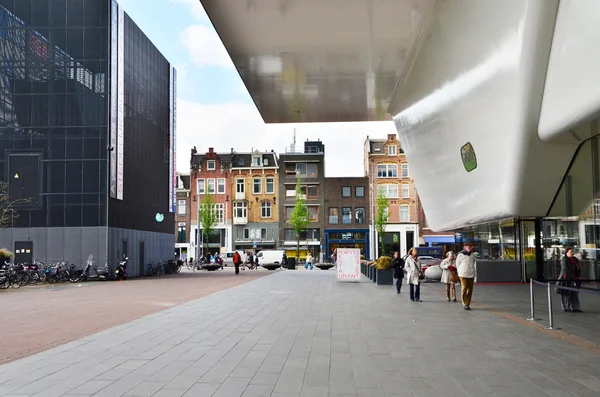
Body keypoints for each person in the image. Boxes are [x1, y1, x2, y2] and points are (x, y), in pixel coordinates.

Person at [558, 247, 582, 312]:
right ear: (566, 252)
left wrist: (578, 276)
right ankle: (566, 307)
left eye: (572, 251)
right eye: (571, 251)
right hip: (566, 279)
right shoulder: (564, 259)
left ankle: (575, 308)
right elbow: (566, 270)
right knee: (566, 293)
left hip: (575, 279)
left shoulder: (575, 259)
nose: (572, 253)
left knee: (575, 293)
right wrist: (574, 276)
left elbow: (578, 269)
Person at [456, 243, 477, 310]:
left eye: (471, 246)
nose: (470, 248)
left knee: (470, 289)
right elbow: (457, 264)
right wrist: (459, 273)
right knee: (464, 287)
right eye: (468, 246)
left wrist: (475, 273)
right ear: (465, 247)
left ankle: (468, 303)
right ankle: (464, 303)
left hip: (471, 274)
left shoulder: (472, 255)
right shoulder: (460, 255)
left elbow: (474, 264)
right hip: (463, 274)